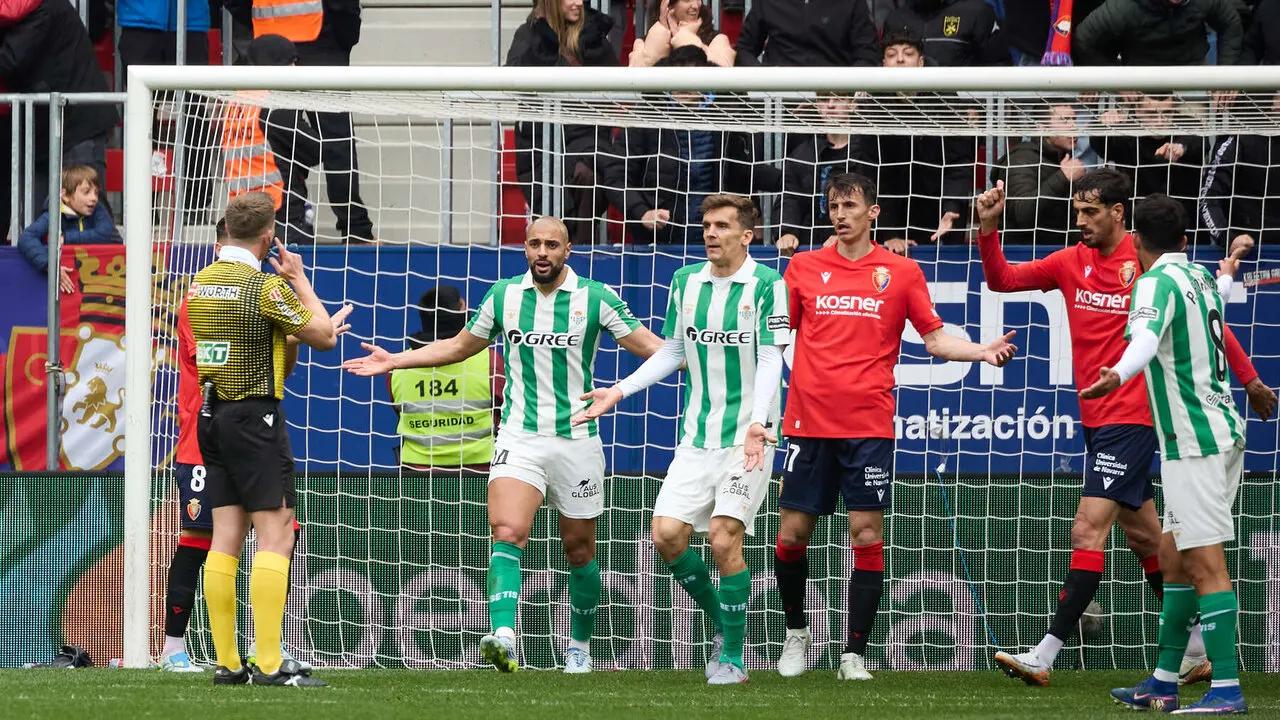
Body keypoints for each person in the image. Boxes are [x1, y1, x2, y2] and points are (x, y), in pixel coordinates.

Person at [977, 169, 1274, 687]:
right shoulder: (1071, 261)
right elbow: (1002, 280)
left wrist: (1248, 379)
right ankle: (1195, 649)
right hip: (1096, 418)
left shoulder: (1148, 269)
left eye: (1090, 211)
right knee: (1148, 540)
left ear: (1119, 213)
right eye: (1076, 211)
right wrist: (987, 230)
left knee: (1087, 527)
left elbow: (1210, 320)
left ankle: (1045, 654)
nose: (1081, 220)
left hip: (1133, 414)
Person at [343, 217, 663, 674]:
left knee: (580, 550)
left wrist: (706, 356)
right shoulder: (504, 296)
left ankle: (579, 646)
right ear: (525, 249)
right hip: (519, 437)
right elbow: (458, 346)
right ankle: (504, 636)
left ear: (567, 250)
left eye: (552, 244)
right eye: (534, 243)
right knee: (509, 531)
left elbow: (652, 347)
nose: (543, 252)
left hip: (577, 441)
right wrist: (397, 359)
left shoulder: (596, 297)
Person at [773, 172, 1017, 680]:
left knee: (865, 533)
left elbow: (933, 339)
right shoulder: (803, 267)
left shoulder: (901, 272)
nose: (839, 215)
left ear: (874, 212)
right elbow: (775, 339)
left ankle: (853, 655)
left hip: (868, 427)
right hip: (808, 423)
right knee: (792, 534)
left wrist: (980, 350)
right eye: (832, 206)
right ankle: (796, 634)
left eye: (849, 205)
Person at [574, 194, 789, 685]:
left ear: (746, 235)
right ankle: (722, 624)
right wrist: (619, 391)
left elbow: (773, 357)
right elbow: (673, 350)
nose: (710, 233)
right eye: (706, 225)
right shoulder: (685, 281)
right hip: (695, 437)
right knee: (667, 535)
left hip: (748, 438)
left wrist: (759, 422)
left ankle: (732, 659)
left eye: (721, 226)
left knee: (722, 537)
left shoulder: (767, 285)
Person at [1086, 195, 1255, 714]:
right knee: (1171, 556)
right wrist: (1228, 271)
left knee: (1204, 562)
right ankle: (1163, 679)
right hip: (1218, 433)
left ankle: (1226, 688)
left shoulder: (1152, 283)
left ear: (1135, 241)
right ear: (1185, 241)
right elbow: (1219, 298)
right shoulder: (1201, 277)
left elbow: (1143, 339)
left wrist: (1119, 372)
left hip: (1195, 443)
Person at [161, 216, 352, 673]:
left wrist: (283, 340)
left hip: (212, 422)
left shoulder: (198, 288)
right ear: (267, 238)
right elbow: (319, 337)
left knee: (229, 537)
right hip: (233, 422)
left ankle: (235, 659)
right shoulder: (260, 289)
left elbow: (273, 364)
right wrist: (299, 285)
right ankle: (223, 655)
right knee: (248, 535)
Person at [225, 0, 375, 244]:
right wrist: (341, 35)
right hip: (319, 39)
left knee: (268, 128)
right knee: (334, 140)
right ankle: (355, 229)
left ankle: (259, 224)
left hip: (268, 39)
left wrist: (261, 23)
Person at [603, 46, 778, 245]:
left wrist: (784, 180)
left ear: (704, 81)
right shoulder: (645, 118)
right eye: (678, 80)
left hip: (716, 238)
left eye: (690, 79)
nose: (683, 87)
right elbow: (615, 177)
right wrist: (643, 212)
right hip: (659, 242)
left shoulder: (726, 116)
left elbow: (742, 173)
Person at [507, 0, 617, 245]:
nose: (579, 3)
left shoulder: (595, 36)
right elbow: (514, 83)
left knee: (590, 175)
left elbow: (615, 87)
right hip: (541, 145)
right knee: (550, 212)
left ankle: (581, 252)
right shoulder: (528, 35)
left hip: (587, 140)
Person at [874, 30, 977, 252]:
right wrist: (889, 232)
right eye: (892, 54)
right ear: (883, 63)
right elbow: (871, 173)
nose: (900, 59)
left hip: (940, 215)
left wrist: (951, 209)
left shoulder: (946, 99)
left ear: (921, 62)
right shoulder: (871, 106)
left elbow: (958, 163)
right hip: (887, 216)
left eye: (908, 53)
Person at [388, 285, 502, 470]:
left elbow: (398, 409)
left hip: (417, 475)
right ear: (463, 308)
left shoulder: (398, 365)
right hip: (482, 473)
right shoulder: (490, 361)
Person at [776, 94, 877, 255]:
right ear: (816, 105)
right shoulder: (803, 153)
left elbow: (878, 198)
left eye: (838, 99)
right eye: (823, 100)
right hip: (812, 245)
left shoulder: (870, 152)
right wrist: (787, 231)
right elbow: (790, 197)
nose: (830, 106)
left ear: (852, 105)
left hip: (859, 247)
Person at [990, 101, 1083, 245]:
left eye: (1074, 120)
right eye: (1064, 120)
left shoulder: (1063, 159)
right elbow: (1023, 214)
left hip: (1055, 252)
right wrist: (1063, 177)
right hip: (1022, 255)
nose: (1073, 126)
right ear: (1042, 128)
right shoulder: (1021, 159)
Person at [17, 165, 118, 293]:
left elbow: (106, 233)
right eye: (86, 192)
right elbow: (26, 238)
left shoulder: (97, 209)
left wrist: (67, 238)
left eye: (96, 192)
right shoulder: (53, 215)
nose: (94, 198)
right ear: (65, 196)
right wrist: (50, 266)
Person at [1074, 0, 1244, 67]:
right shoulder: (1123, 6)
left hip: (1192, 72)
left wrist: (1225, 72)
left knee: (1195, 138)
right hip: (1140, 80)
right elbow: (1084, 38)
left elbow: (1230, 22)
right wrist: (1116, 80)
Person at [732, 0, 879, 67]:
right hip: (778, 100)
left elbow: (867, 55)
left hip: (834, 102)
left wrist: (844, 94)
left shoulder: (852, 2)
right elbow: (744, 50)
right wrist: (765, 79)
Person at [881, 0, 1010, 67]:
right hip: (904, 111)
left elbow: (1000, 67)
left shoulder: (977, 12)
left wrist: (976, 106)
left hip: (962, 111)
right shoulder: (895, 19)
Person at [629, 0, 734, 67]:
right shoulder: (642, 42)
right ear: (668, 4)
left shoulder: (717, 39)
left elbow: (724, 74)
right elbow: (634, 79)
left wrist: (684, 39)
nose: (696, 5)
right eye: (687, 0)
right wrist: (661, 33)